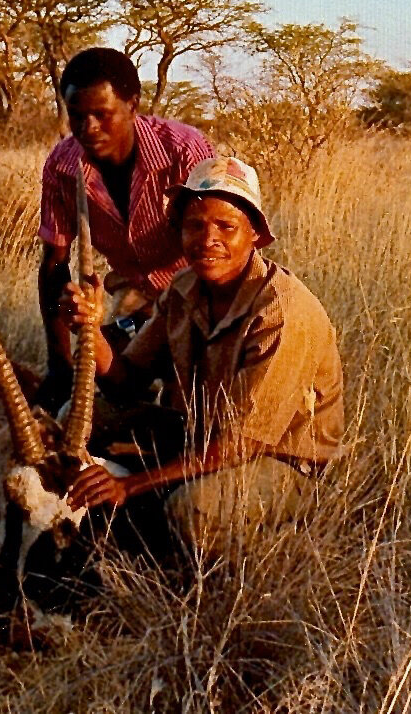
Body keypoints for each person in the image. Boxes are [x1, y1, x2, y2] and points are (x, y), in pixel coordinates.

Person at [59, 156, 345, 557]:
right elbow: (125, 382)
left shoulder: (281, 313)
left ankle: (268, 548)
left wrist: (134, 485)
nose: (207, 239)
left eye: (226, 227)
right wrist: (91, 327)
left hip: (277, 460)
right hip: (199, 434)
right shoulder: (184, 287)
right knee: (75, 415)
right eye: (195, 225)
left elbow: (243, 442)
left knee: (191, 511)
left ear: (255, 236)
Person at [36, 47, 214, 410]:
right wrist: (59, 362)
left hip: (198, 296)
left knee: (190, 411)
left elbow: (215, 245)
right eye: (76, 116)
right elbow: (54, 262)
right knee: (94, 393)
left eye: (102, 115)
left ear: (133, 105)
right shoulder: (61, 166)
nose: (88, 129)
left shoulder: (184, 150)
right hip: (134, 298)